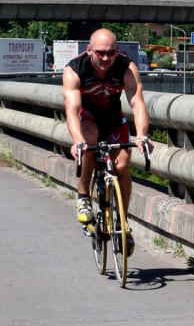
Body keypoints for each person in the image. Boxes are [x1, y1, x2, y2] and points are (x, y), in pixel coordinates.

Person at [62, 29, 153, 251]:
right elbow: (72, 109)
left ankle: (122, 222)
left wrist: (141, 135)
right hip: (88, 117)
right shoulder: (75, 69)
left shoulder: (126, 67)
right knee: (88, 141)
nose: (105, 58)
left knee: (122, 165)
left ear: (117, 52)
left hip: (114, 118)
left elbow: (137, 103)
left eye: (111, 53)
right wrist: (77, 141)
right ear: (89, 50)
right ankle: (83, 197)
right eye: (100, 52)